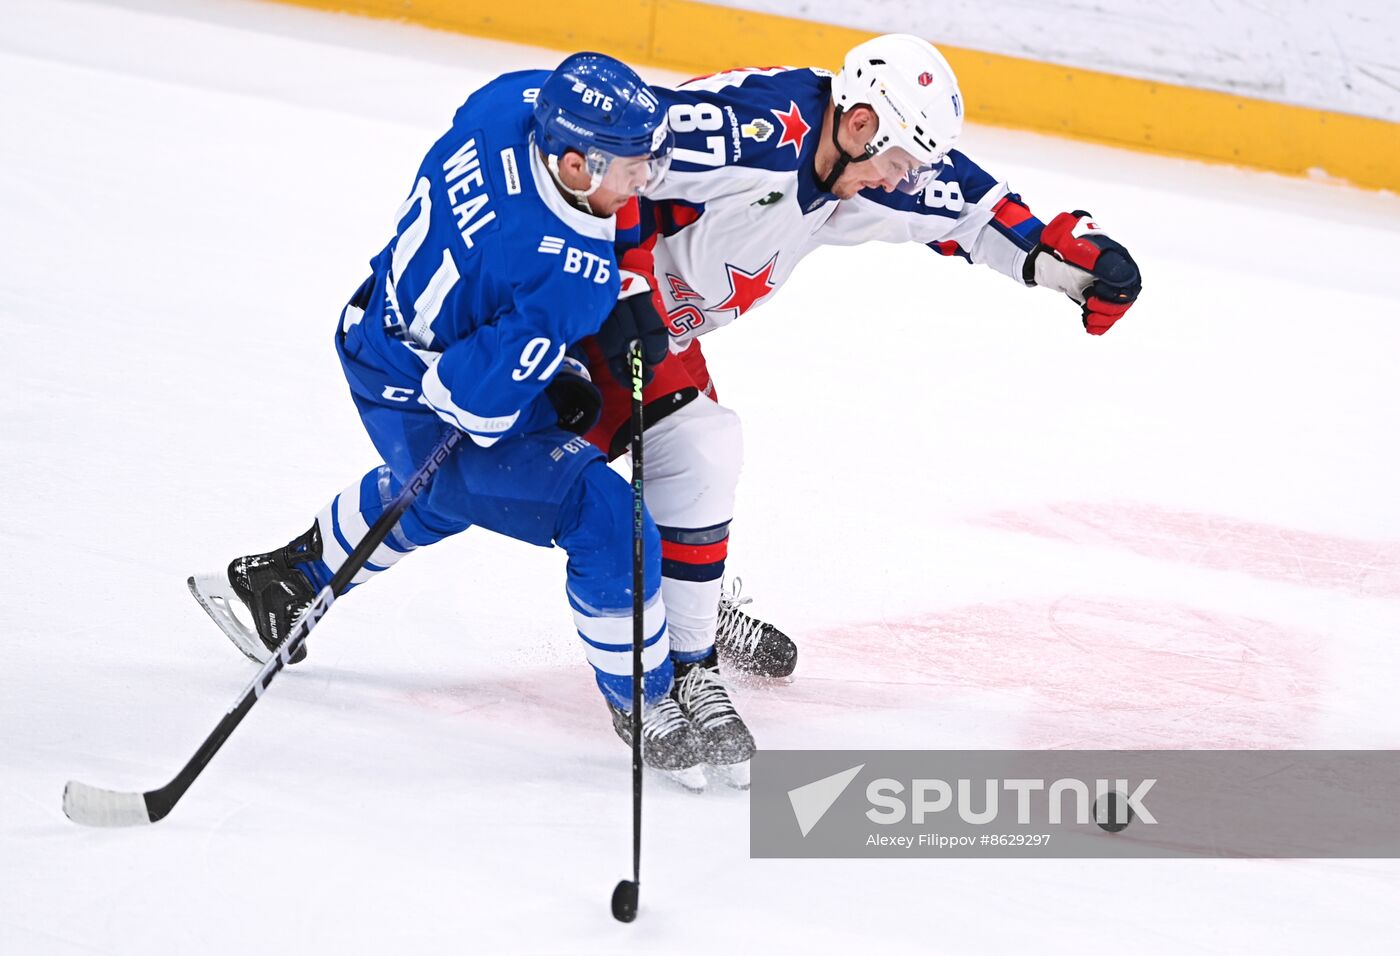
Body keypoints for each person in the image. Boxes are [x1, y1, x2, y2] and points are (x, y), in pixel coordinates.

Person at [188, 53, 754, 792]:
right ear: (576, 165)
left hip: (378, 324)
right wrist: (564, 371)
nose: (645, 181)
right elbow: (474, 409)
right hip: (425, 396)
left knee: (454, 491)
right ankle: (643, 699)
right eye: (631, 168)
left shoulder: (513, 102)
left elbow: (516, 254)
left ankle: (291, 578)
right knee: (606, 519)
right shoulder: (568, 281)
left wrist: (609, 298)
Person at [577, 34, 1144, 679]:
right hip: (589, 306)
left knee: (696, 464)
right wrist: (621, 277)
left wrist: (1053, 256)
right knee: (542, 467)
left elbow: (968, 209)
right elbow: (603, 146)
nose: (900, 181)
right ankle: (683, 639)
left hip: (660, 333)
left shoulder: (859, 159)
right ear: (860, 124)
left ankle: (689, 607)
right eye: (899, 162)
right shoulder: (754, 130)